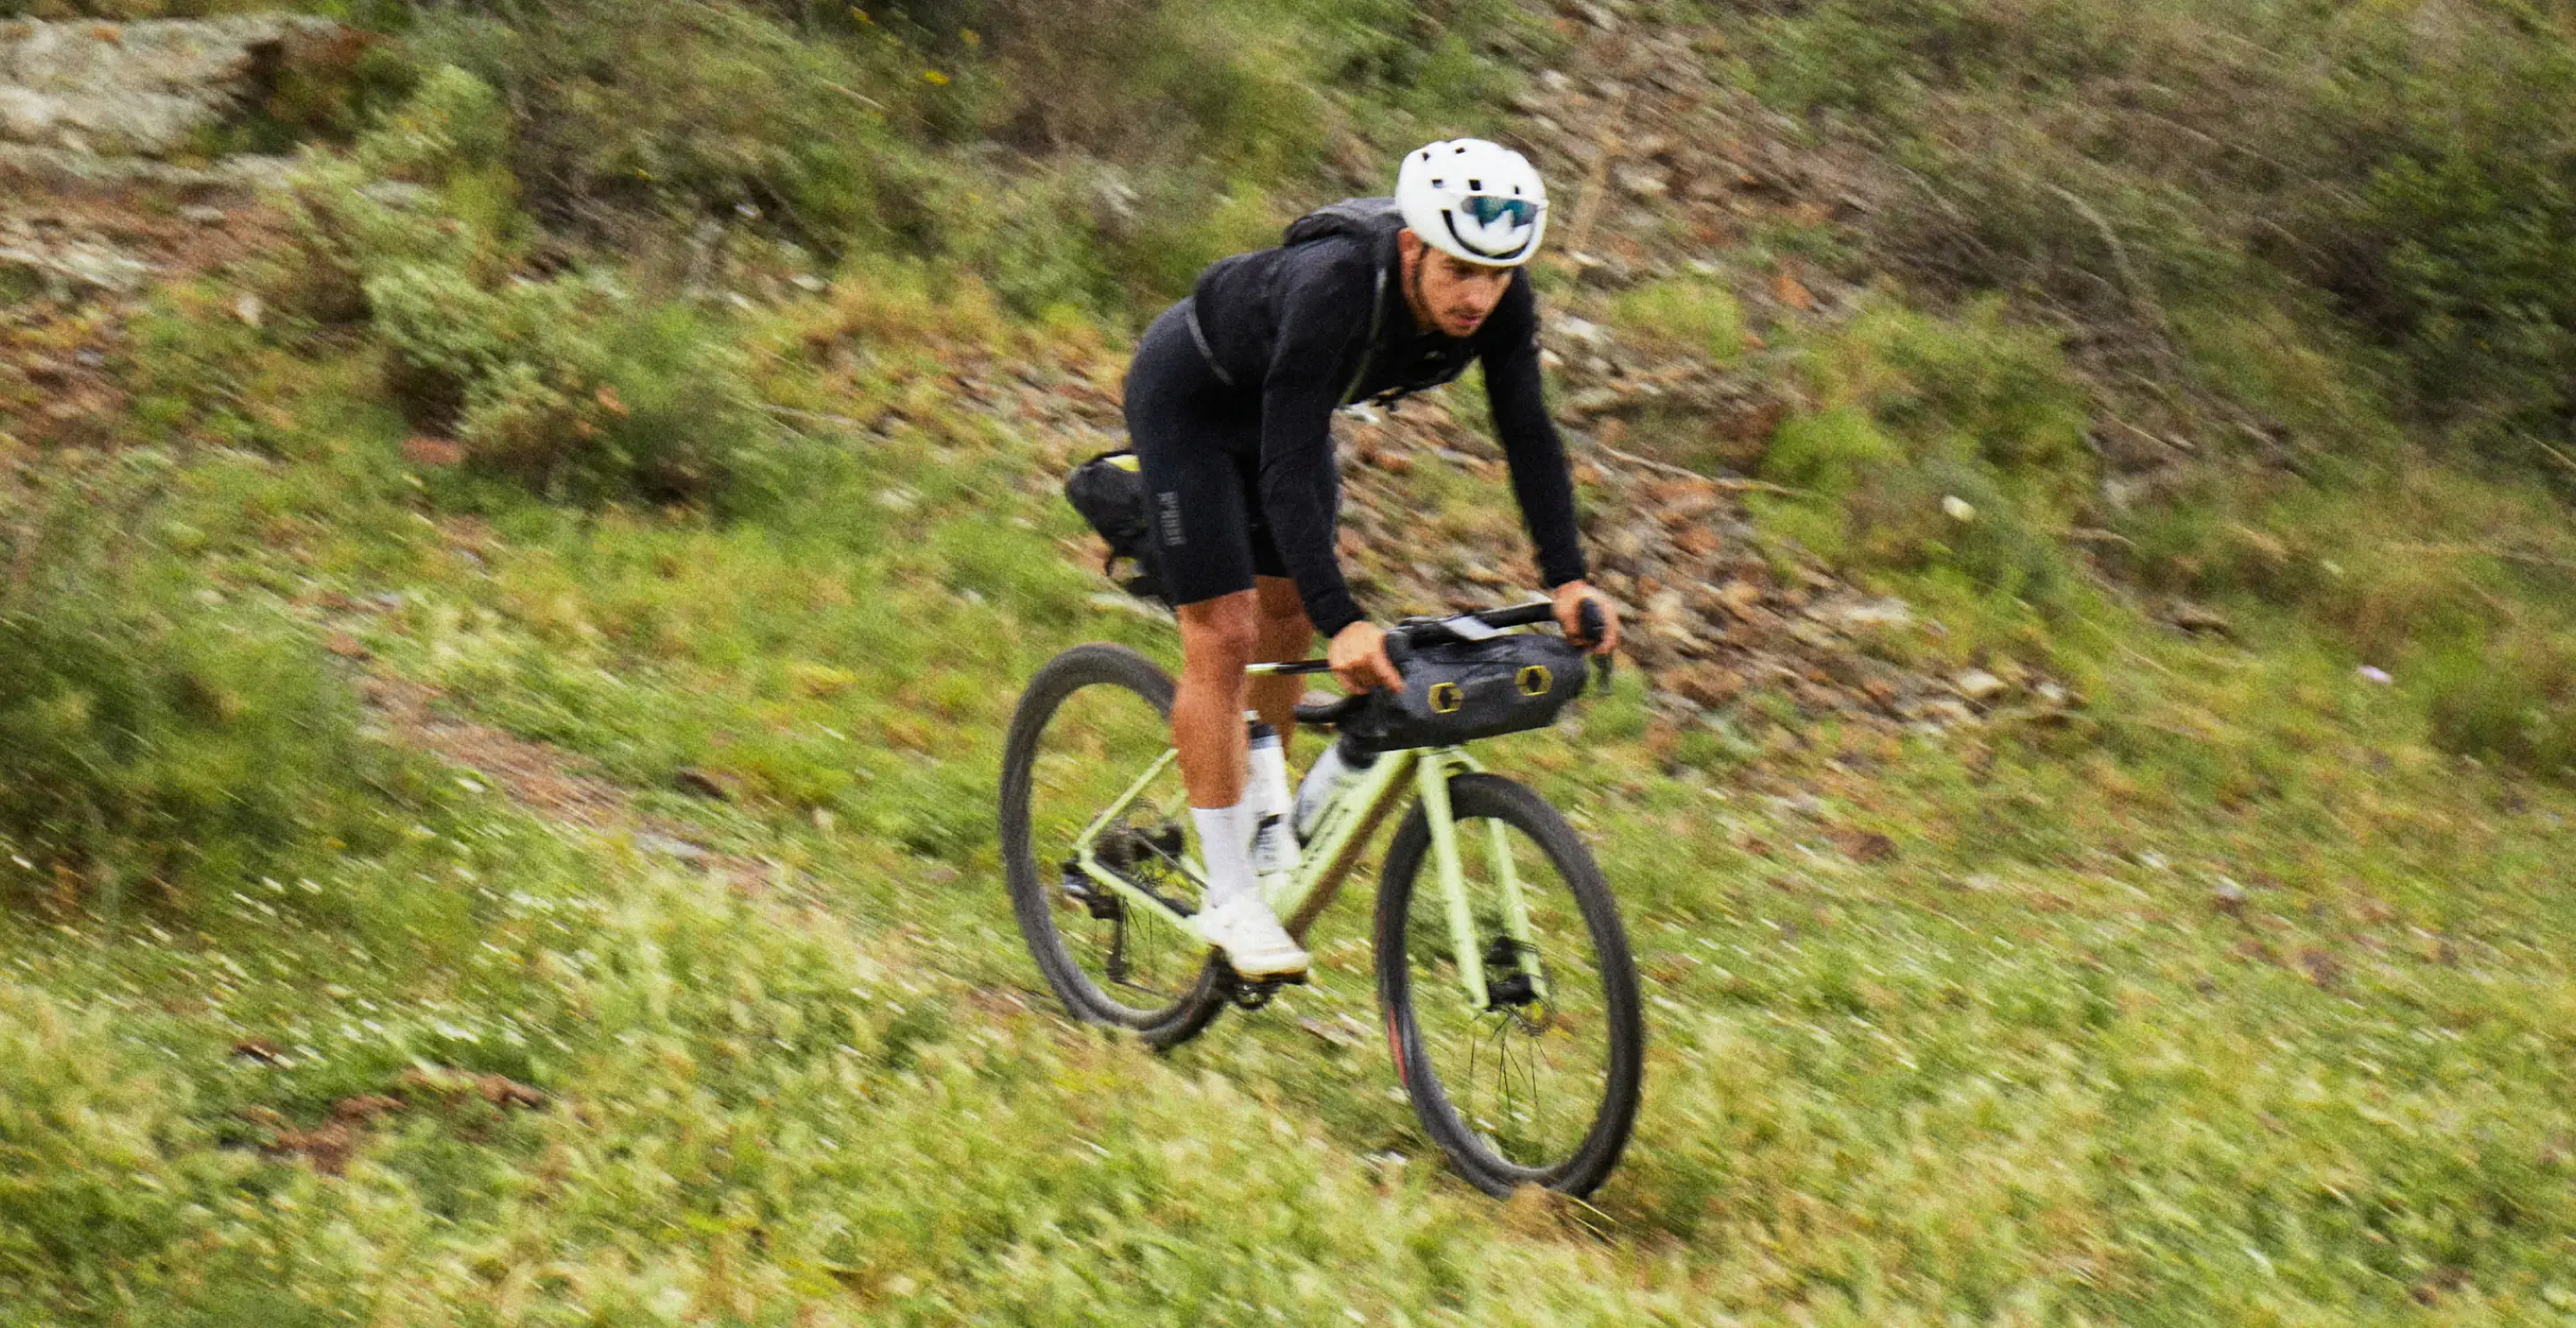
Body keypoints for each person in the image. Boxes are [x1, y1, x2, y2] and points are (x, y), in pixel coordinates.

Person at [1121, 139, 1622, 979]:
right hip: (1193, 405)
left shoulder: (1500, 298)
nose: (1479, 296)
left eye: (1498, 275)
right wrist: (1346, 620)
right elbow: (1286, 469)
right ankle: (1230, 896)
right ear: (1412, 245)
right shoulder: (1336, 287)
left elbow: (1528, 431)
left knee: (1286, 612)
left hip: (1290, 413)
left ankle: (1264, 797)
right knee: (1228, 631)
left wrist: (1568, 576)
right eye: (1461, 270)